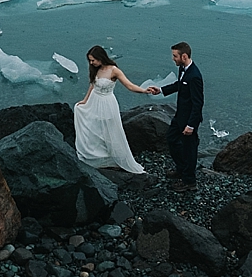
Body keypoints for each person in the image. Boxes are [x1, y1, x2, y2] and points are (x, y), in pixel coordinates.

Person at [73, 45, 149, 174]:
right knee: (92, 126)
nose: (91, 63)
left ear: (100, 58)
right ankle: (95, 155)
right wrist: (85, 100)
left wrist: (144, 90)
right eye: (90, 60)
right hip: (94, 101)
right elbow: (92, 85)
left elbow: (129, 85)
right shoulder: (95, 69)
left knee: (109, 130)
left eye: (93, 60)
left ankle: (111, 158)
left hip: (107, 103)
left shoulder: (114, 70)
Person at [147, 42, 204, 192]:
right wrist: (160, 90)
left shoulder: (194, 76)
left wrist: (191, 125)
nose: (173, 59)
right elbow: (179, 85)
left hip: (189, 120)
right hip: (180, 115)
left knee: (189, 150)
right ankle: (181, 169)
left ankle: (189, 181)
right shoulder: (183, 69)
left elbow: (198, 104)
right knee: (172, 139)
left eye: (175, 56)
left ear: (184, 56)